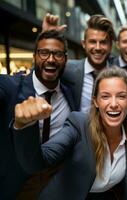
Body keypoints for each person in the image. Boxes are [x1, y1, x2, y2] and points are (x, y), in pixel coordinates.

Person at [12, 67, 127, 200]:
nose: (114, 104)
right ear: (96, 102)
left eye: (121, 96)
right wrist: (24, 124)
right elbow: (37, 162)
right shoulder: (79, 125)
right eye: (105, 96)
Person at [0, 30, 76, 199]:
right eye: (44, 53)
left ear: (65, 59)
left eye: (57, 54)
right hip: (16, 186)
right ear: (34, 56)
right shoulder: (11, 86)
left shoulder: (70, 93)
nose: (50, 59)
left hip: (56, 182)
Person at [43, 14, 116, 112]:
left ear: (110, 45)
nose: (98, 48)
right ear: (84, 44)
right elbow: (39, 75)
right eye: (92, 42)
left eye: (103, 42)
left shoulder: (119, 76)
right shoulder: (67, 69)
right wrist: (47, 37)